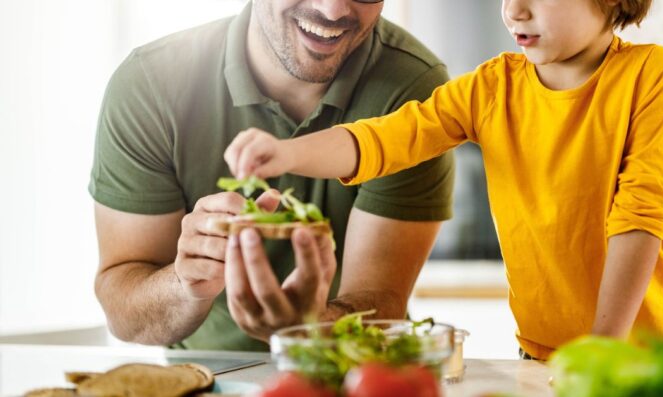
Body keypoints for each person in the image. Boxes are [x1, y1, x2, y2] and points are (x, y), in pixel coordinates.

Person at [224, 0, 663, 360]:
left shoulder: (649, 74)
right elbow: (389, 138)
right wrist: (286, 152)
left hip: (641, 353)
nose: (514, 11)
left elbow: (640, 215)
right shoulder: (493, 86)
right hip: (540, 352)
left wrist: (604, 350)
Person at [89, 0, 455, 352]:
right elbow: (124, 315)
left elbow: (382, 300)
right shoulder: (150, 85)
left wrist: (316, 327)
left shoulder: (416, 93)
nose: (333, 10)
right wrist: (185, 284)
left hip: (356, 376)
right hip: (208, 377)